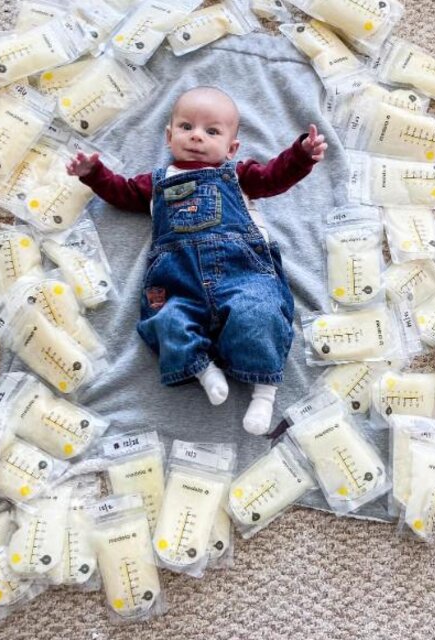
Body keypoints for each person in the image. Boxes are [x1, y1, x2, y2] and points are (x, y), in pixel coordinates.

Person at [66, 86, 327, 434]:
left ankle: (263, 393)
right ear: (169, 135)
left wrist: (302, 155)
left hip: (242, 270)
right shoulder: (156, 183)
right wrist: (93, 174)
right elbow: (122, 192)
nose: (197, 137)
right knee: (166, 320)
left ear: (231, 148)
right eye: (186, 127)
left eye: (212, 131)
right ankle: (204, 370)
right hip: (177, 279)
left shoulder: (237, 175)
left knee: (259, 312)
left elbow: (274, 177)